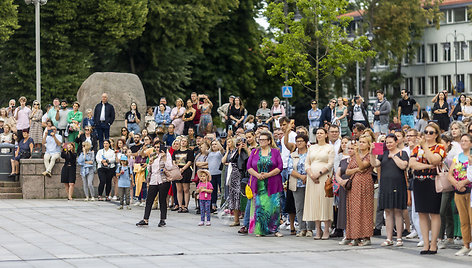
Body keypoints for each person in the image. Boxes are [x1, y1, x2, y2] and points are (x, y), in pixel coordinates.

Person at [409, 123, 446, 255]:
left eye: (431, 132)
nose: (428, 134)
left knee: (434, 212)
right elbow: (412, 163)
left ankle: (434, 243)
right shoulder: (417, 147)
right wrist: (428, 164)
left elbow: (435, 159)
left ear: (436, 134)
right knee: (422, 213)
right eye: (426, 132)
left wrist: (425, 147)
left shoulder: (440, 146)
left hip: (433, 181)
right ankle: (426, 243)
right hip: (419, 181)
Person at [370, 134, 409, 247]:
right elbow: (374, 164)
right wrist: (372, 153)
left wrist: (394, 157)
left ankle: (399, 238)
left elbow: (403, 166)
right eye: (387, 143)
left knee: (397, 211)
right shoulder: (383, 153)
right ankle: (389, 238)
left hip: (398, 185)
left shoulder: (403, 153)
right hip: (385, 185)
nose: (388, 144)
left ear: (396, 142)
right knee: (388, 212)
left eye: (391, 142)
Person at [247, 131, 283, 237]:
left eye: (263, 140)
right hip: (259, 183)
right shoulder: (254, 152)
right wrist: (257, 175)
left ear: (269, 141)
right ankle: (261, 230)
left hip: (273, 182)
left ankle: (274, 229)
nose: (261, 141)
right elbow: (249, 167)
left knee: (274, 206)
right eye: (260, 139)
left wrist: (268, 174)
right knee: (260, 206)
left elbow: (280, 167)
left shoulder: (275, 152)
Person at [303, 128, 334, 239]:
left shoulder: (329, 148)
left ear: (326, 135)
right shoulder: (312, 147)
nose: (319, 135)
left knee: (324, 202)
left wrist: (319, 174)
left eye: (321, 133)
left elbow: (330, 164)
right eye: (317, 133)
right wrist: (311, 174)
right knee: (314, 202)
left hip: (324, 177)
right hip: (312, 178)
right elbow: (307, 163)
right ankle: (318, 229)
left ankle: (326, 229)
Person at [345, 134, 374, 246]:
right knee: (354, 209)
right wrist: (356, 169)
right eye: (360, 141)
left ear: (368, 144)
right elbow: (347, 171)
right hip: (354, 184)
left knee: (365, 209)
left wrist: (357, 156)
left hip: (365, 183)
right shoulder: (354, 156)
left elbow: (363, 166)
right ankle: (355, 236)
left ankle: (366, 236)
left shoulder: (368, 156)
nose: (360, 144)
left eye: (363, 142)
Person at [447, 133, 472, 256]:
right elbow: (450, 174)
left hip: (469, 190)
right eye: (462, 141)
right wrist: (457, 184)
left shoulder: (471, 157)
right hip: (459, 191)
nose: (463, 143)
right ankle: (466, 244)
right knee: (463, 219)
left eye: (466, 141)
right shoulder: (457, 157)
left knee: (471, 218)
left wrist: (463, 183)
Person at [136, 145, 172, 227]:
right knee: (149, 200)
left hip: (163, 180)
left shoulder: (167, 155)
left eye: (158, 147)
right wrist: (149, 163)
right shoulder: (153, 155)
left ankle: (162, 219)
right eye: (155, 147)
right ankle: (145, 219)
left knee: (162, 200)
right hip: (153, 180)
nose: (156, 149)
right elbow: (149, 169)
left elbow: (169, 167)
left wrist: (164, 158)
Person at [287, 133, 314, 237]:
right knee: (299, 206)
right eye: (297, 141)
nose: (299, 143)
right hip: (297, 183)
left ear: (306, 142)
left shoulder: (310, 154)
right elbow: (290, 169)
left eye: (301, 141)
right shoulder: (293, 154)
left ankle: (310, 228)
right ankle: (302, 228)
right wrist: (301, 176)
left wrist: (307, 176)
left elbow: (313, 166)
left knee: (310, 205)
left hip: (309, 182)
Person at [335, 139, 354, 244]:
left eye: (352, 148)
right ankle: (346, 234)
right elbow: (337, 173)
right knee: (343, 210)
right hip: (343, 187)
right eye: (349, 148)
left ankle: (354, 235)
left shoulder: (357, 161)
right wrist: (341, 181)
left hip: (354, 187)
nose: (350, 150)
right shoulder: (343, 161)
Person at [172, 136, 194, 213]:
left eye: (185, 141)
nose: (183, 142)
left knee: (186, 189)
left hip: (186, 170)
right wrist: (177, 168)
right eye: (182, 141)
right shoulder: (176, 152)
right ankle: (180, 205)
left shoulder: (189, 151)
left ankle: (186, 206)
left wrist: (183, 169)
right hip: (177, 170)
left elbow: (190, 161)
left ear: (187, 143)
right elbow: (174, 160)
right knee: (179, 189)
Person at [208, 139, 224, 212]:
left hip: (219, 173)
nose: (214, 146)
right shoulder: (210, 153)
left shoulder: (219, 153)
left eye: (215, 144)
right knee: (213, 190)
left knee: (221, 189)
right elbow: (205, 150)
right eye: (213, 144)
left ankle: (223, 205)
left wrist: (218, 142)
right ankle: (213, 205)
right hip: (211, 173)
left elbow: (221, 149)